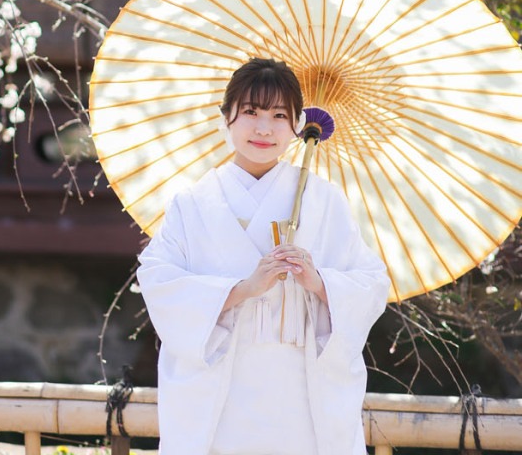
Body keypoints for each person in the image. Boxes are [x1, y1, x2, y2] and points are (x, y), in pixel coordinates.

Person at [137, 57, 389, 455]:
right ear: (227, 117)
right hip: (222, 393)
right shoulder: (193, 204)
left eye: (278, 115)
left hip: (302, 396)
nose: (263, 128)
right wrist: (240, 289)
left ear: (297, 125)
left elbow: (371, 282)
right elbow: (156, 279)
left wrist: (319, 282)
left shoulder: (322, 201)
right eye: (250, 112)